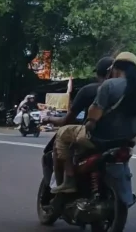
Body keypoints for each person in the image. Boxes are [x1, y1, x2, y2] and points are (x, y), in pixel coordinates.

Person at [52, 52, 136, 194]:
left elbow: (94, 117)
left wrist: (90, 123)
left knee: (62, 134)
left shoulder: (109, 85)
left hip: (101, 139)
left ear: (115, 68)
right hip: (128, 140)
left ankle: (69, 180)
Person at [45, 57, 113, 188]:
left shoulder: (90, 90)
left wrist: (49, 119)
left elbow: (67, 120)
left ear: (97, 73)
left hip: (95, 136)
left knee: (62, 135)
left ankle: (67, 180)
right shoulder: (126, 91)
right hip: (122, 138)